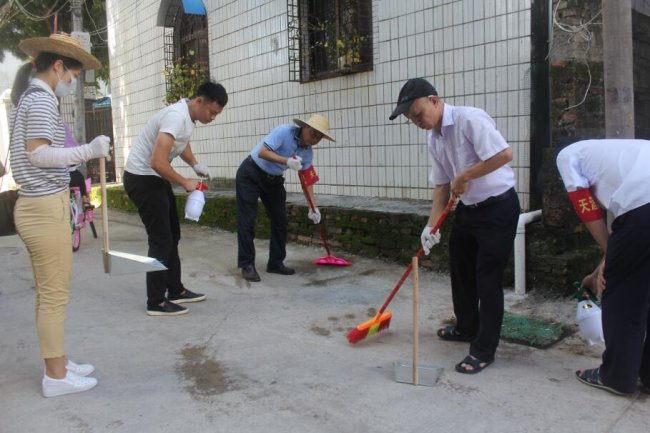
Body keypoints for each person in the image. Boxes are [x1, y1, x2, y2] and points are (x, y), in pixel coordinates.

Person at [389, 78, 520, 374]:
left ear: (434, 101)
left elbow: (504, 155)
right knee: (460, 269)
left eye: (418, 114)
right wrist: (430, 227)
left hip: (498, 207)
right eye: (411, 119)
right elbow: (441, 187)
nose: (417, 122)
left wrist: (467, 174)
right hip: (469, 211)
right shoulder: (433, 138)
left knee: (487, 279)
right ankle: (466, 327)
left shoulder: (469, 119)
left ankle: (484, 349)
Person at [9, 33, 109, 397]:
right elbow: (38, 155)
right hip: (42, 208)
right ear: (57, 66)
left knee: (47, 295)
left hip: (38, 205)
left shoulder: (31, 98)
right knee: (54, 296)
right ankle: (55, 377)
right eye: (72, 76)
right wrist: (87, 149)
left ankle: (59, 363)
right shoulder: (39, 101)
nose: (71, 83)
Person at [123, 81, 228, 316]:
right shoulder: (175, 117)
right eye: (212, 112)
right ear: (199, 101)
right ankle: (156, 302)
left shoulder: (187, 118)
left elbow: (181, 142)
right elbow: (157, 162)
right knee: (160, 239)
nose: (213, 118)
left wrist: (195, 164)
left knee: (173, 235)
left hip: (154, 178)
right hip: (142, 178)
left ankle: (175, 289)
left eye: (217, 114)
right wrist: (185, 181)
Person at [556, 139, 650, 396]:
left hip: (643, 205)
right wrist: (605, 263)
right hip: (641, 208)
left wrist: (610, 260)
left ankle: (617, 376)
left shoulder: (567, 156)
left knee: (623, 295)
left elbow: (585, 206)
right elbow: (625, 238)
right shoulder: (624, 154)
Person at [236, 114, 335, 282]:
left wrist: (313, 207)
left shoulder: (307, 152)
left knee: (280, 221)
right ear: (304, 127)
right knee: (248, 219)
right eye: (313, 133)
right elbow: (262, 152)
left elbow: (307, 180)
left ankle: (275, 262)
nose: (315, 138)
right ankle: (247, 265)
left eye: (319, 136)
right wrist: (287, 161)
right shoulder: (284, 132)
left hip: (273, 180)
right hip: (251, 173)